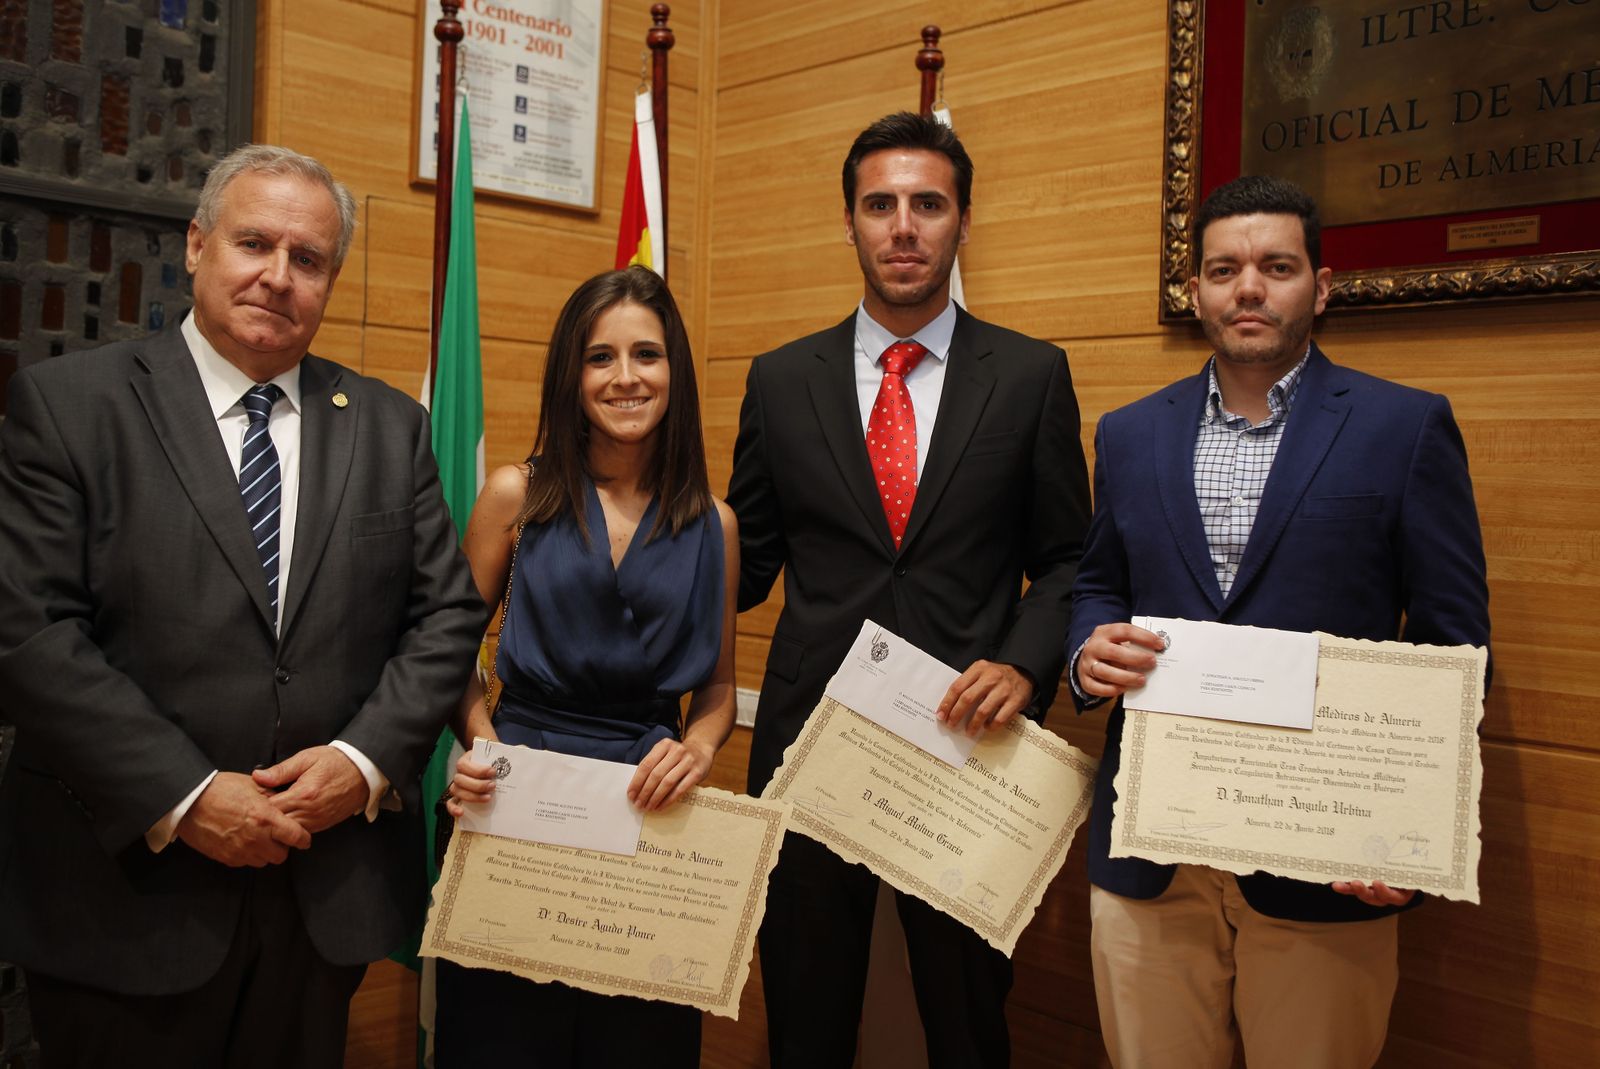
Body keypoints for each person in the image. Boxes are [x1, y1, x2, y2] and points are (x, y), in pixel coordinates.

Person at [0, 144, 487, 1067]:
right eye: (254, 242)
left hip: (320, 900)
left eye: (308, 259)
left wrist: (363, 761)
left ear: (331, 279)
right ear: (195, 245)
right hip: (125, 903)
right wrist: (185, 795)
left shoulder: (390, 425)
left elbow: (445, 617)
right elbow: (27, 631)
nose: (277, 275)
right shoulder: (70, 407)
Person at [1067, 175, 1491, 1069]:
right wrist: (1086, 648)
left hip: (1327, 857)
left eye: (1276, 266)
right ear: (1196, 292)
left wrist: (1408, 827)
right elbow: (1097, 584)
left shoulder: (1403, 427)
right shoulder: (1129, 433)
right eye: (1223, 269)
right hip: (1153, 854)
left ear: (1321, 286)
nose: (1248, 287)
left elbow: (1453, 644)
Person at [727, 111, 1091, 1068]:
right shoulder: (776, 381)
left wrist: (1021, 661)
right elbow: (740, 561)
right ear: (846, 221)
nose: (903, 227)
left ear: (963, 223)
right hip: (813, 745)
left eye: (927, 205)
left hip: (967, 743)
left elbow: (1066, 561)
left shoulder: (1030, 376)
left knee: (967, 1023)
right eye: (879, 204)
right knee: (805, 1017)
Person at [433, 266, 739, 1069]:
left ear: (676, 369)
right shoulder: (515, 495)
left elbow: (715, 690)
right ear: (572, 374)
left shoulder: (716, 524)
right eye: (601, 357)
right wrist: (479, 742)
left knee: (638, 1048)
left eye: (648, 353)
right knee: (500, 1045)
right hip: (514, 803)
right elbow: (445, 653)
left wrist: (700, 750)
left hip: (650, 814)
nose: (627, 377)